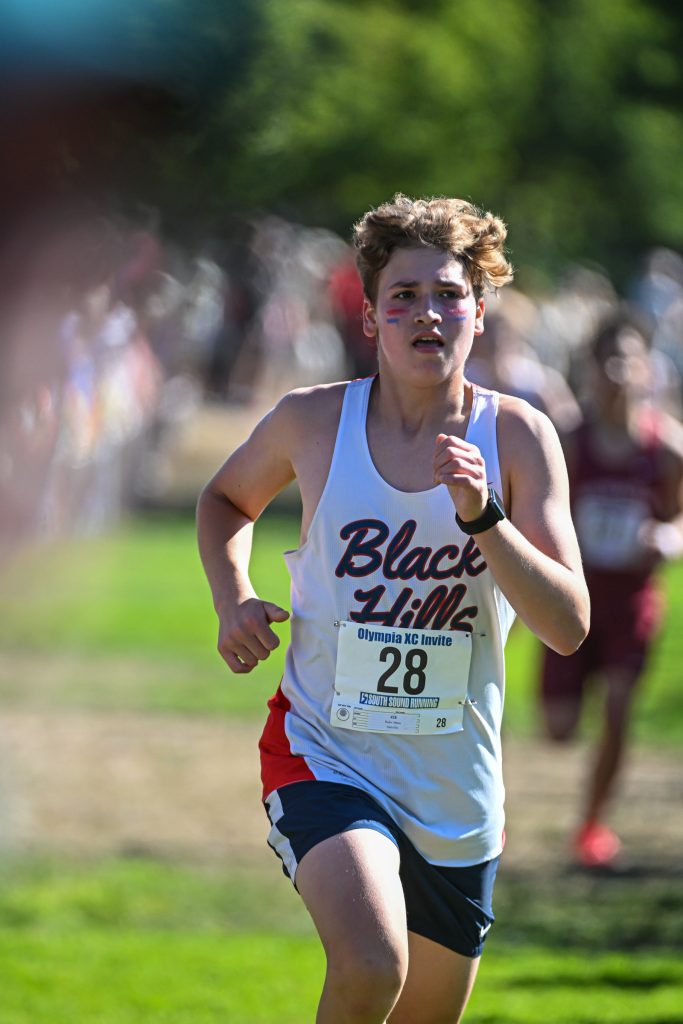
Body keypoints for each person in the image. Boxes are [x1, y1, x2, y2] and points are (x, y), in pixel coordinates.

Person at [197, 194, 590, 1024]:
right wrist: (233, 597)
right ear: (370, 317)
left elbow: (566, 625)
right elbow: (226, 501)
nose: (426, 312)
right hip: (325, 749)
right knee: (372, 964)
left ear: (479, 315)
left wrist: (483, 516)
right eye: (403, 296)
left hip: (456, 787)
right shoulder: (311, 420)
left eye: (447, 294)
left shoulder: (517, 437)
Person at [540, 308, 683, 870]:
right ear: (592, 369)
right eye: (609, 360)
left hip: (631, 599)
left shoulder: (666, 448)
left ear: (648, 368)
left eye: (630, 359)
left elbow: (679, 515)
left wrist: (669, 536)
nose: (620, 371)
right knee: (558, 727)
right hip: (571, 594)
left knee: (620, 705)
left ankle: (592, 825)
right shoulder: (568, 444)